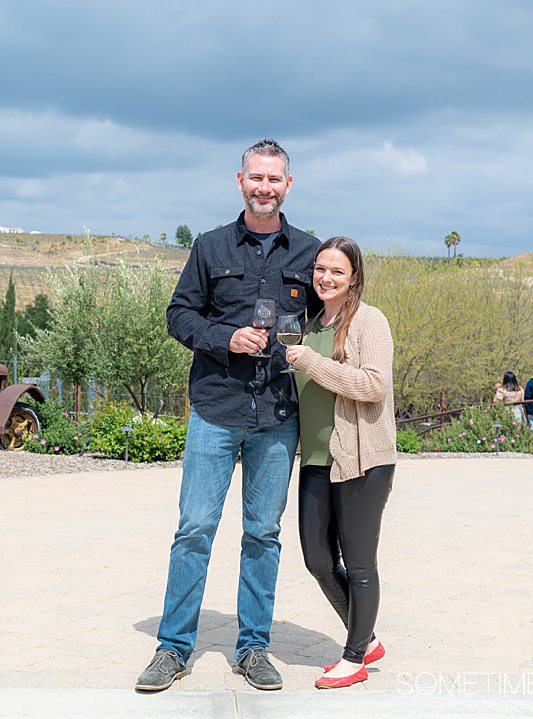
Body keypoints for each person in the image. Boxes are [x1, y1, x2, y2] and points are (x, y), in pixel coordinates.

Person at [135, 139, 321, 692]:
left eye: (275, 179)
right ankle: (173, 648)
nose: (265, 187)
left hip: (278, 414)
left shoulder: (309, 252)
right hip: (216, 410)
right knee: (194, 529)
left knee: (263, 534)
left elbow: (333, 310)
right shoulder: (210, 247)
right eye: (255, 177)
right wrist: (225, 337)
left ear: (289, 185)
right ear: (239, 180)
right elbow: (179, 315)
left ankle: (253, 648)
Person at [285, 236, 396, 689]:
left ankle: (354, 658)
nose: (326, 278)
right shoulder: (309, 324)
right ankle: (366, 637)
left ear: (354, 279)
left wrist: (310, 361)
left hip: (362, 459)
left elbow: (373, 385)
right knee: (316, 558)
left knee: (360, 562)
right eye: (320, 269)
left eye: (337, 271)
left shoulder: (370, 322)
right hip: (313, 461)